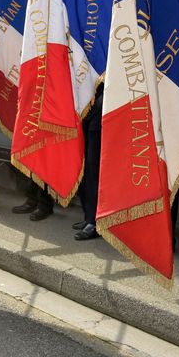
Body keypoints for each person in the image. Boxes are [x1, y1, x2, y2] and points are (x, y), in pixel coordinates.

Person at [74, 85, 105, 241]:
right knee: (85, 169)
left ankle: (94, 222)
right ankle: (89, 215)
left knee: (94, 171)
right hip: (85, 112)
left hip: (101, 115)